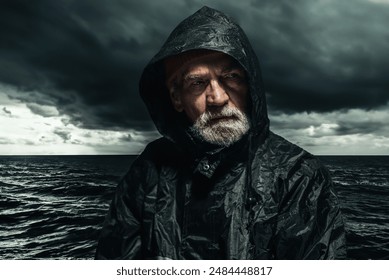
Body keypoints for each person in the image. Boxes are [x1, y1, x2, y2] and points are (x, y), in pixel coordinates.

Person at [95, 6, 346, 260]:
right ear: (176, 98)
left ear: (250, 85)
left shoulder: (298, 177)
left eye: (231, 77)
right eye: (198, 82)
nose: (217, 97)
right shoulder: (149, 170)